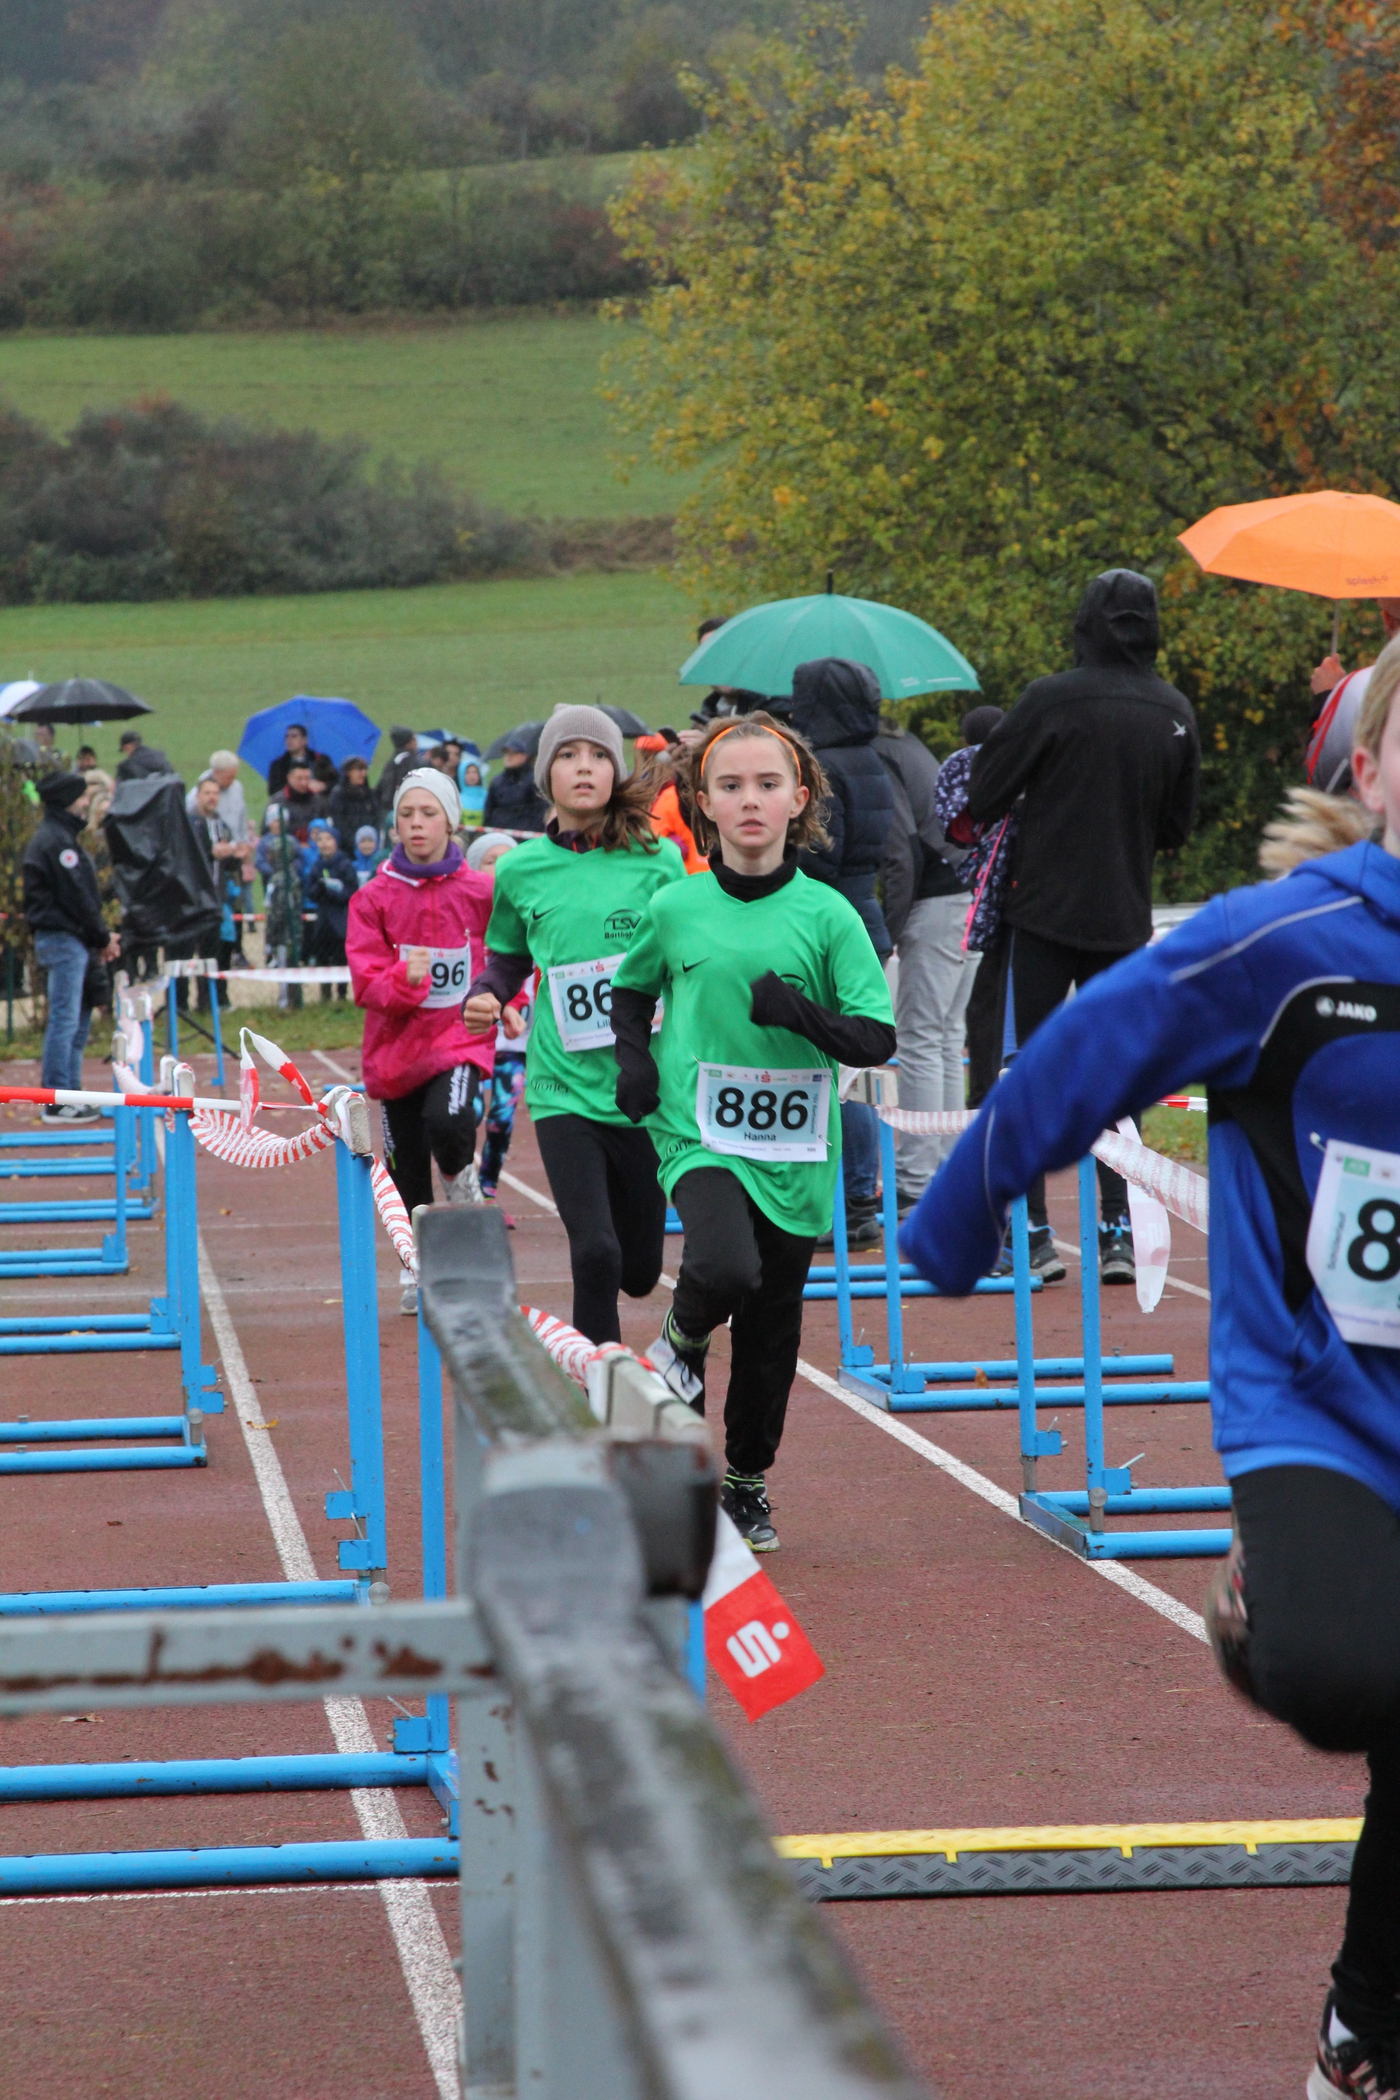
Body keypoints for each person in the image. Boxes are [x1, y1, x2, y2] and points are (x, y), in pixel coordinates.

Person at [903, 629, 1400, 2100]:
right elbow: (1084, 1054)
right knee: (1343, 1681)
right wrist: (955, 1219)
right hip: (1319, 1403)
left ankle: (1364, 2028)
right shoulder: (1282, 943)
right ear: (1369, 772)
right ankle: (1269, 1597)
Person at [610, 713, 896, 1550]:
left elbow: (875, 1038)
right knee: (722, 1266)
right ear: (702, 802)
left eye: (767, 784)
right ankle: (681, 1338)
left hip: (797, 1150)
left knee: (772, 1328)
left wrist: (798, 1011)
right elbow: (630, 990)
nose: (749, 800)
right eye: (730, 785)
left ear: (798, 799)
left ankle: (744, 1481)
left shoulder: (830, 915)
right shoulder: (676, 906)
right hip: (696, 1130)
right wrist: (634, 1061)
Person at [965, 568, 1200, 1283]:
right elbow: (1178, 829)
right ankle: (1118, 1229)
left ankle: (1034, 1232)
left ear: (1085, 623)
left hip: (1040, 914)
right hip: (1123, 918)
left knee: (1027, 1070)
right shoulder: (1174, 711)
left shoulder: (1051, 699)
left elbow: (984, 793)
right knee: (1117, 1076)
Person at [461, 705, 685, 1340]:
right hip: (561, 1089)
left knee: (638, 1271)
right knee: (595, 1254)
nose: (583, 767)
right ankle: (601, 1386)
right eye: (567, 755)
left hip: (642, 1089)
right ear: (545, 777)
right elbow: (508, 956)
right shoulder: (519, 868)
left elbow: (686, 961)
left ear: (615, 773)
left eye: (597, 755)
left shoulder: (658, 861)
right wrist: (487, 992)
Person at [347, 768, 498, 1311]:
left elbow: (512, 955)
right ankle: (419, 1268)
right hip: (395, 1052)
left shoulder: (482, 892)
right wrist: (404, 979)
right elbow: (365, 983)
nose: (416, 824)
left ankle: (462, 1181)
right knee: (406, 1169)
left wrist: (508, 1002)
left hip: (458, 1039)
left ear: (451, 822)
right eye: (406, 814)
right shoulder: (373, 899)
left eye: (428, 813)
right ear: (394, 825)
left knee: (451, 1123)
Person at [785, 657, 895, 1249]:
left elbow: (822, 855)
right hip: (865, 915)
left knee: (839, 1073)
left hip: (831, 927)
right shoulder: (870, 757)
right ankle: (856, 1198)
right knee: (851, 1070)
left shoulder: (825, 765)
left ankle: (851, 1202)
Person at [875, 714, 976, 1218]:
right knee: (943, 1037)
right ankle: (944, 1169)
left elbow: (900, 854)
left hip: (938, 898)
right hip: (969, 887)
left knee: (920, 1037)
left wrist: (886, 935)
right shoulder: (906, 742)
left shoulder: (880, 753)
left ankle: (916, 1179)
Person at [21, 772, 122, 1122]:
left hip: (73, 939)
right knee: (65, 1019)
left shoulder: (60, 837)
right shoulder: (57, 843)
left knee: (77, 1020)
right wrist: (102, 936)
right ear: (67, 800)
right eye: (81, 796)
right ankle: (56, 1098)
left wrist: (97, 937)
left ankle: (71, 1093)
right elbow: (77, 897)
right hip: (64, 939)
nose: (86, 802)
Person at [934, 704, 1014, 1117]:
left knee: (965, 1018)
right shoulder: (1023, 764)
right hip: (1021, 901)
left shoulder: (958, 768)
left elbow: (951, 828)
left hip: (969, 904)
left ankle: (980, 1100)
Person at [465, 830, 530, 1201]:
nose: (500, 868)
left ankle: (486, 1189)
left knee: (502, 1119)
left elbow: (525, 972)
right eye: (491, 861)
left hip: (513, 1043)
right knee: (467, 1113)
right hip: (469, 1041)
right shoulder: (467, 918)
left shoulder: (527, 914)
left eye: (508, 860)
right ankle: (463, 1189)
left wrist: (514, 1006)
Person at [305, 824, 357, 997]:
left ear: (336, 842)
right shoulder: (317, 866)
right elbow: (310, 892)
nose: (324, 843)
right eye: (320, 839)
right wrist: (320, 888)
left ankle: (342, 994)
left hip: (341, 921)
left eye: (328, 839)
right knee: (323, 959)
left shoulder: (345, 865)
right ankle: (325, 994)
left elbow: (352, 892)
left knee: (341, 959)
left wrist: (332, 891)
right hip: (323, 922)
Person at [482, 732, 546, 832]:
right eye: (506, 753)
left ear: (524, 756)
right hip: (499, 835)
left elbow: (540, 811)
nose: (509, 757)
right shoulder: (497, 781)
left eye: (514, 753)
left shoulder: (534, 780)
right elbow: (488, 810)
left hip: (525, 835)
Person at [185, 750, 251, 842]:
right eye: (229, 777)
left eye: (234, 777)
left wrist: (244, 842)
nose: (232, 781)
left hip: (236, 845)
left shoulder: (237, 787)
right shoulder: (195, 797)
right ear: (216, 772)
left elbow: (242, 818)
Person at [266, 722, 336, 798]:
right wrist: (299, 786)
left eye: (294, 736)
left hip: (318, 801)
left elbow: (335, 782)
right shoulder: (278, 764)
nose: (289, 740)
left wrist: (323, 786)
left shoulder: (320, 759)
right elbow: (273, 790)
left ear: (304, 740)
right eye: (287, 737)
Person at [326, 754, 378, 853]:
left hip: (369, 845)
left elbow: (375, 818)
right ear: (348, 772)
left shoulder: (369, 793)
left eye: (364, 770)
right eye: (359, 770)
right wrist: (353, 841)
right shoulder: (339, 794)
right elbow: (339, 822)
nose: (363, 773)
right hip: (346, 847)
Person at [271, 760, 320, 843]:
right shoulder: (278, 801)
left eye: (307, 778)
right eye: (299, 778)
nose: (304, 783)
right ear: (289, 778)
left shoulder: (317, 800)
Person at [376, 727, 417, 813]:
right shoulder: (408, 761)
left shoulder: (393, 760)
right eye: (414, 739)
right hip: (398, 808)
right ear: (408, 742)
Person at [459, 761, 487, 829]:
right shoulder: (458, 799)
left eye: (474, 772)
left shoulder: (488, 797)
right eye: (467, 773)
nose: (471, 776)